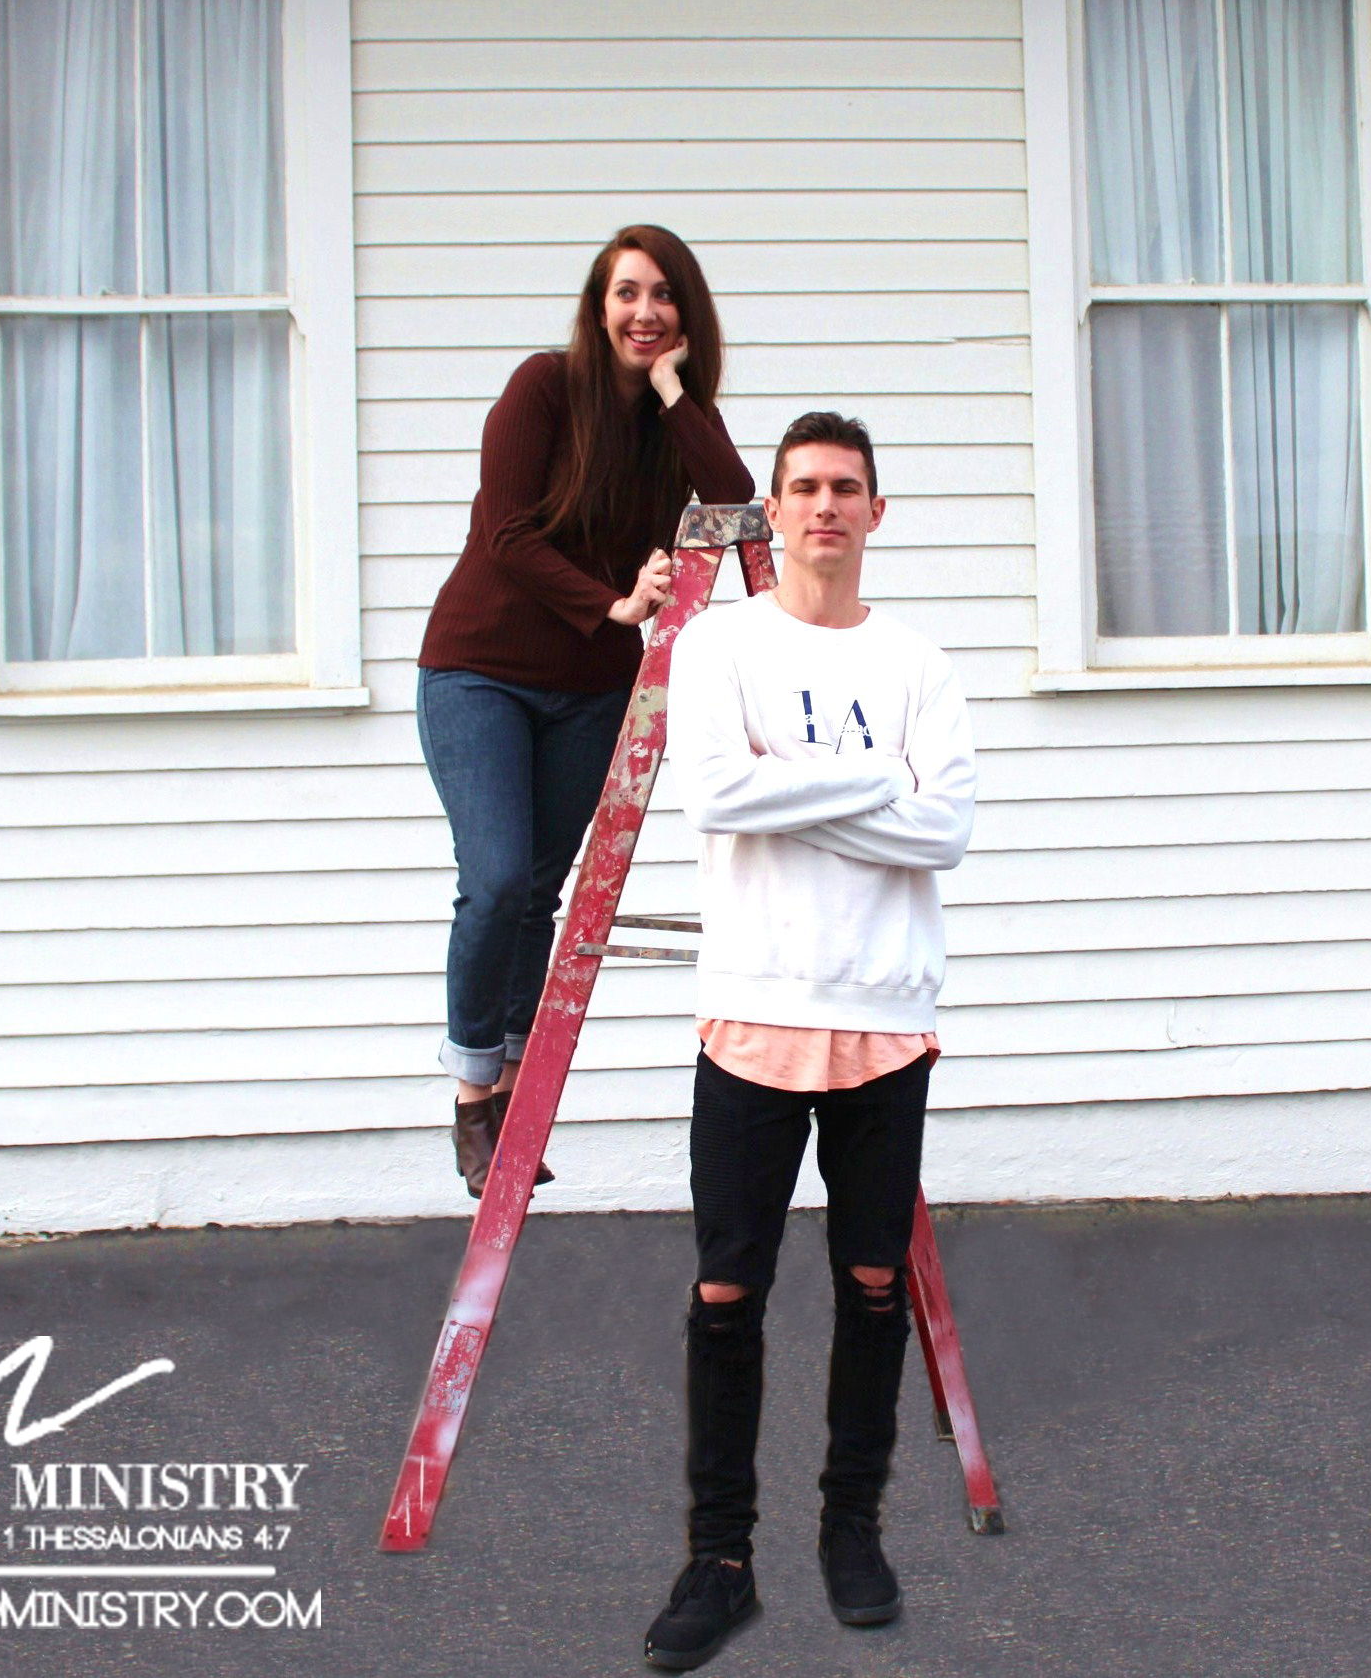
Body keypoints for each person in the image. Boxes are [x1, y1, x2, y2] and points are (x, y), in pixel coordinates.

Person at [645, 412, 977, 1669]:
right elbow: (712, 794)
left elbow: (945, 832)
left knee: (871, 1283)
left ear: (874, 511)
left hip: (884, 1010)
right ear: (773, 511)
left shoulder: (917, 664)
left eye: (845, 487)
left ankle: (851, 1528)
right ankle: (718, 1556)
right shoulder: (720, 642)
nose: (824, 506)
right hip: (753, 1004)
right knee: (727, 1287)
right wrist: (879, 781)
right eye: (803, 487)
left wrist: (790, 787)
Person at [417, 227, 755, 1199]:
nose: (644, 312)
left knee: (537, 891)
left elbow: (733, 496)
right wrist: (611, 602)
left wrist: (673, 392)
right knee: (493, 880)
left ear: (685, 314)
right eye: (626, 293)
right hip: (479, 671)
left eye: (663, 295)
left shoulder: (671, 422)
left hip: (590, 691)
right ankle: (470, 1091)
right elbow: (506, 531)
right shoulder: (542, 388)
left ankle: (510, 1091)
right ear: (597, 306)